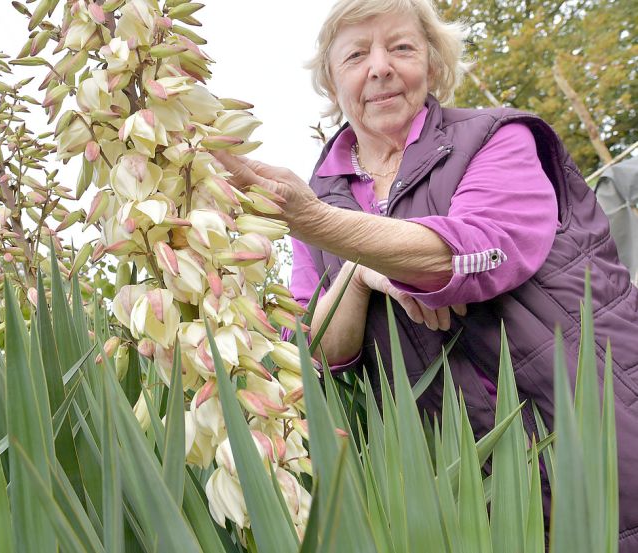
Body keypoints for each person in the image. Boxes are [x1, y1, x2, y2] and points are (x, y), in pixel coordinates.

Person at [212, 0, 638, 548]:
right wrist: (357, 273)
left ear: (433, 65)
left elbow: (482, 250)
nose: (381, 67)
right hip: (468, 482)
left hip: (595, 432)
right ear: (331, 81)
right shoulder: (325, 196)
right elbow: (315, 349)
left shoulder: (495, 137)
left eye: (402, 47)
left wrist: (323, 225)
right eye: (357, 55)